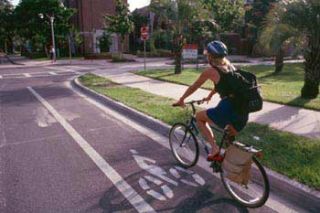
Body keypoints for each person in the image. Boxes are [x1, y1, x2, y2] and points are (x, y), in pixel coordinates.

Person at [173, 40, 249, 161]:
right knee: (229, 139)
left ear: (210, 56)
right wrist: (210, 96)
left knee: (199, 117)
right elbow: (224, 86)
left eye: (207, 54)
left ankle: (214, 149)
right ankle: (229, 166)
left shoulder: (210, 71)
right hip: (243, 111)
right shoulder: (230, 67)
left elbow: (194, 86)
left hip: (228, 109)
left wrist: (182, 99)